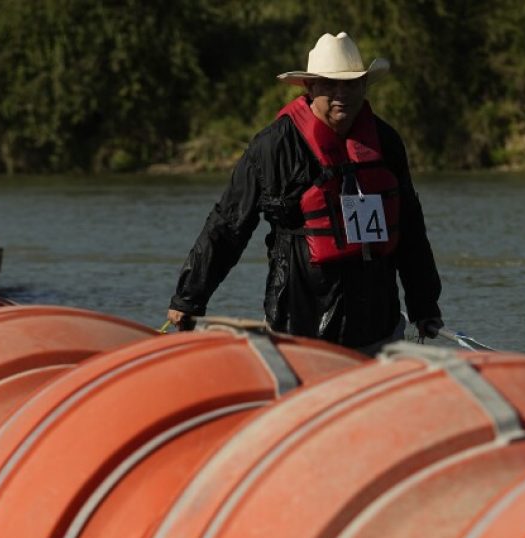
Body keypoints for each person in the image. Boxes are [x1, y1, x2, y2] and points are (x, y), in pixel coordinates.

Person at [166, 31, 443, 352]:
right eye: (329, 84)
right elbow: (228, 225)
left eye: (351, 83)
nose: (342, 93)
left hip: (377, 324)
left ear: (364, 86)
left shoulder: (385, 141)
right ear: (310, 87)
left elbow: (409, 227)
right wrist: (189, 297)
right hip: (299, 324)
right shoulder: (273, 146)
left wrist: (424, 306)